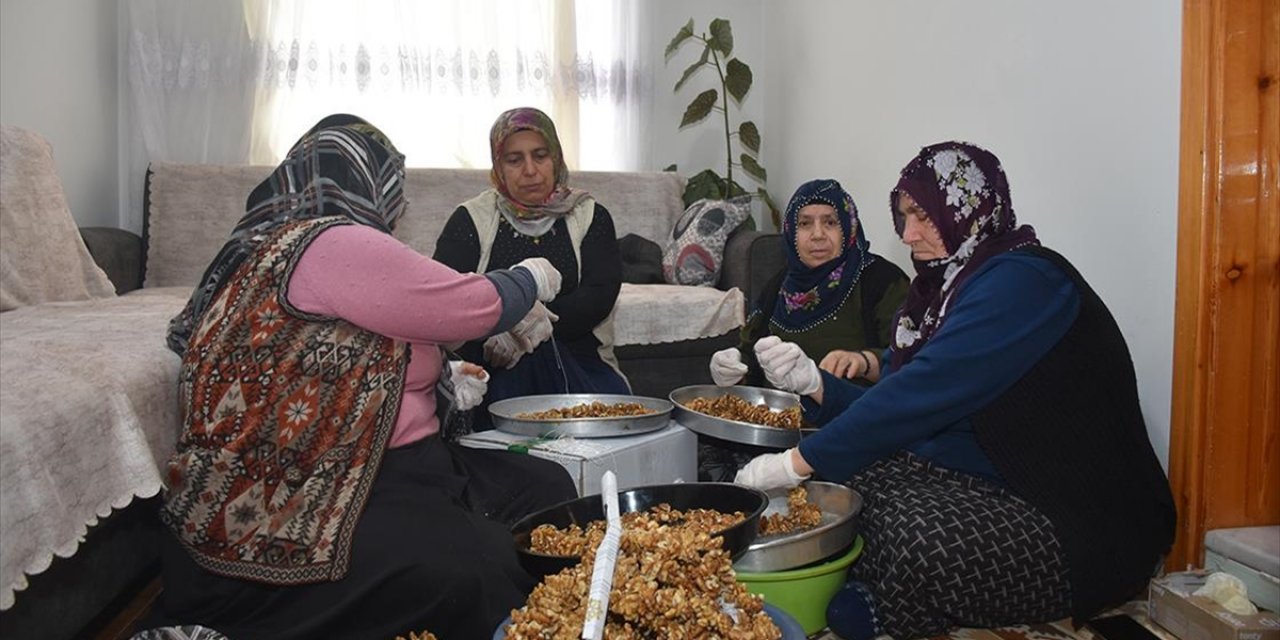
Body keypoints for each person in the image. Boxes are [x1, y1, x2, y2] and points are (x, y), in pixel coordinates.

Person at [147, 114, 578, 640]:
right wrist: (528, 278)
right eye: (392, 194)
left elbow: (365, 349)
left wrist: (445, 375)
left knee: (550, 491)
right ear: (367, 186)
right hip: (319, 485)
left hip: (395, 464)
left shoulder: (283, 250)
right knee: (474, 567)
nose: (396, 213)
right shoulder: (330, 241)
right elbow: (474, 305)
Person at [733, 142, 1175, 639]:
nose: (908, 233)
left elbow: (920, 395)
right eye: (902, 217)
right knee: (852, 483)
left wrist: (795, 462)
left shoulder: (1022, 280)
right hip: (989, 471)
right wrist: (818, 386)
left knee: (917, 539)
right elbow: (898, 403)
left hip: (1075, 514)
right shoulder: (942, 291)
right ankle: (879, 592)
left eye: (922, 215)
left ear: (969, 208)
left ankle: (893, 600)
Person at [699, 178, 908, 481]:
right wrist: (731, 369)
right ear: (790, 234)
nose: (818, 235)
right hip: (775, 432)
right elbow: (749, 355)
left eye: (831, 222)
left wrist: (861, 360)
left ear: (849, 227)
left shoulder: (881, 281)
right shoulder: (778, 287)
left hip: (851, 429)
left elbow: (910, 361)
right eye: (805, 224)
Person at [434, 107, 628, 429]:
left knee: (539, 358)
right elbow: (448, 301)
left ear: (556, 158)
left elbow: (599, 295)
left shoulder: (590, 216)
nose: (530, 170)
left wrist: (529, 327)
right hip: (491, 367)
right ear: (499, 166)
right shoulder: (470, 220)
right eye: (514, 160)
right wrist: (502, 328)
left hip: (577, 361)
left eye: (540, 156)